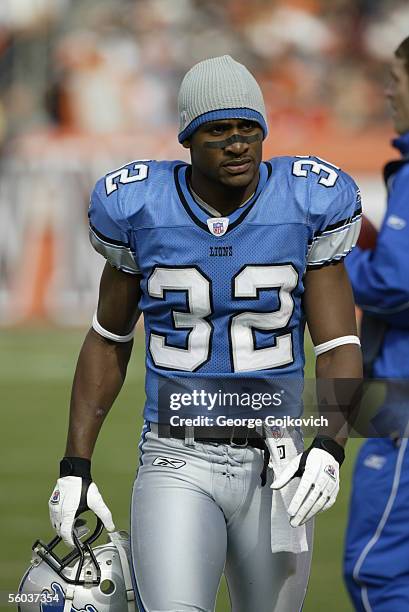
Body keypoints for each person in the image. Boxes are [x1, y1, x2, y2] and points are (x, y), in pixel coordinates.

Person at [49, 55, 362, 612]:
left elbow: (339, 345)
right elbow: (108, 338)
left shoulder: (305, 201)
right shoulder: (141, 206)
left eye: (248, 129)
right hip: (177, 455)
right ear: (189, 139)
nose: (237, 144)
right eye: (219, 130)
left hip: (280, 464)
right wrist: (75, 464)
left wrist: (329, 447)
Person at [343, 37, 409, 612]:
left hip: (401, 408)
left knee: (377, 575)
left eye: (397, 77)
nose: (389, 90)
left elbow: (396, 281)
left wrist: (335, 255)